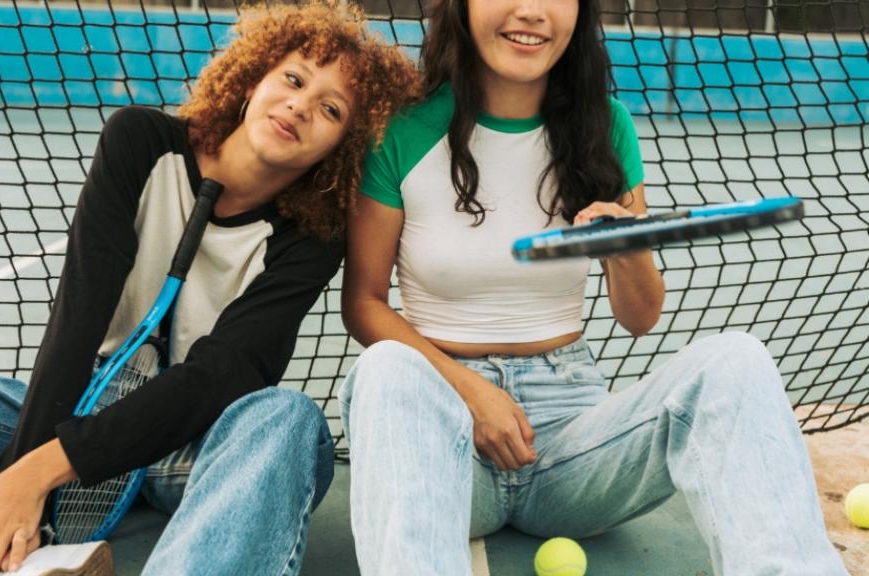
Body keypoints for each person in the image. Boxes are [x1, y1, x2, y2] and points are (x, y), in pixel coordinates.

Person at [0, 2, 419, 575]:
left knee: (286, 420)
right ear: (255, 75)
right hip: (85, 406)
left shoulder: (312, 239)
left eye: (331, 109)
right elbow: (77, 321)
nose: (299, 105)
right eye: (293, 78)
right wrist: (21, 478)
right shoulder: (139, 142)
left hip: (194, 445)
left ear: (341, 146)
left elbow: (221, 376)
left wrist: (40, 471)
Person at [337, 1, 849, 575]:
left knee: (737, 362)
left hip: (572, 446)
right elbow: (364, 303)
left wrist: (624, 245)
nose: (531, 11)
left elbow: (640, 316)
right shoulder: (400, 129)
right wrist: (470, 393)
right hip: (445, 434)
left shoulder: (606, 127)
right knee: (383, 371)